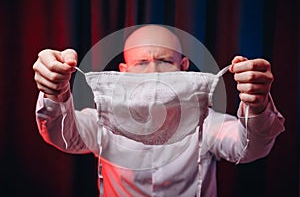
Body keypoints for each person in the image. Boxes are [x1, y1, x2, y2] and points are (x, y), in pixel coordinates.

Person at [33, 25, 285, 196]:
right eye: (141, 63)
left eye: (165, 61)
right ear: (123, 71)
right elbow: (60, 135)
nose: (153, 73)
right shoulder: (103, 122)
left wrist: (257, 104)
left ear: (183, 66)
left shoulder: (206, 122)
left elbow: (250, 147)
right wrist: (56, 91)